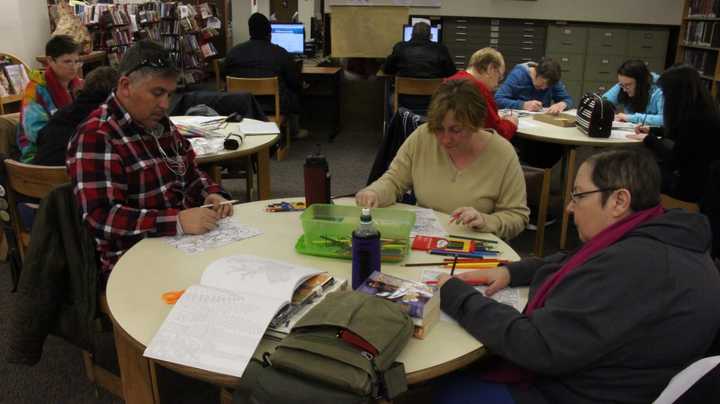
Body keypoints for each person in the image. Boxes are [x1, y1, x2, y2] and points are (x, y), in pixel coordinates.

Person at [435, 148, 720, 404]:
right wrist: (510, 271)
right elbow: (572, 261)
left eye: (579, 195)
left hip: (575, 392)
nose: (570, 207)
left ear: (619, 200)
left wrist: (457, 296)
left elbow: (536, 345)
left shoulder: (632, 266)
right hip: (620, 379)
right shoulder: (661, 236)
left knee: (448, 387)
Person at [67, 40, 233, 284]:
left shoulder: (159, 123)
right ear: (125, 86)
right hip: (132, 261)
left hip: (183, 243)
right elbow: (102, 217)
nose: (165, 104)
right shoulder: (97, 135)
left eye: (169, 94)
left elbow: (190, 173)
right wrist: (176, 221)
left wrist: (211, 193)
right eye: (157, 93)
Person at [356, 80, 529, 240]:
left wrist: (487, 221)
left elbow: (517, 216)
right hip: (425, 240)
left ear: (475, 124)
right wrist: (374, 192)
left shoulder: (502, 154)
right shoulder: (424, 136)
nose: (445, 139)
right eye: (439, 129)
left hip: (475, 245)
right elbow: (394, 180)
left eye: (456, 130)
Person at [627, 64, 720, 204]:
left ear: (676, 94)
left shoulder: (693, 120)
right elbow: (682, 135)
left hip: (691, 187)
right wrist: (652, 130)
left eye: (665, 93)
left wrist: (649, 139)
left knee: (635, 171)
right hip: (703, 181)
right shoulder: (705, 110)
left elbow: (674, 161)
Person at [223, 13, 305, 138]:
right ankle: (294, 131)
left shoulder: (233, 52)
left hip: (241, 104)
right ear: (269, 32)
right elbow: (294, 82)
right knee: (295, 91)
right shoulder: (281, 54)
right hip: (273, 106)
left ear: (250, 31)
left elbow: (226, 78)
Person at [17, 35, 84, 162]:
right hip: (39, 152)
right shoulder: (35, 89)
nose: (74, 67)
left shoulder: (80, 86)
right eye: (67, 61)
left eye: (77, 61)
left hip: (74, 146)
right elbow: (35, 133)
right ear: (50, 61)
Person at [34, 66, 118, 166]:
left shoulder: (62, 112)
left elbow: (41, 137)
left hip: (35, 174)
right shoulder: (104, 119)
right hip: (66, 177)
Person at [446, 47, 518, 140]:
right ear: (490, 68)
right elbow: (497, 134)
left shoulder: (449, 81)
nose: (497, 84)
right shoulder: (478, 90)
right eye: (499, 77)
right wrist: (510, 123)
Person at [494, 58, 573, 114]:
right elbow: (498, 99)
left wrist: (561, 104)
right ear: (536, 72)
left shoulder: (552, 79)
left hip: (540, 122)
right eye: (543, 83)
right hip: (517, 122)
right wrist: (523, 105)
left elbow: (568, 99)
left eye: (548, 86)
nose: (544, 88)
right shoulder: (518, 75)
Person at [383, 22, 456, 79]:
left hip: (405, 94)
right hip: (433, 95)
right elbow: (451, 72)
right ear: (430, 36)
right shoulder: (441, 49)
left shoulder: (399, 47)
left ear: (411, 34)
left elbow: (387, 69)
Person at [602, 59, 664, 126]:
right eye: (621, 85)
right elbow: (603, 103)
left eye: (628, 85)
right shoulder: (624, 84)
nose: (624, 90)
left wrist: (629, 118)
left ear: (641, 83)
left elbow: (664, 119)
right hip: (631, 131)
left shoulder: (661, 90)